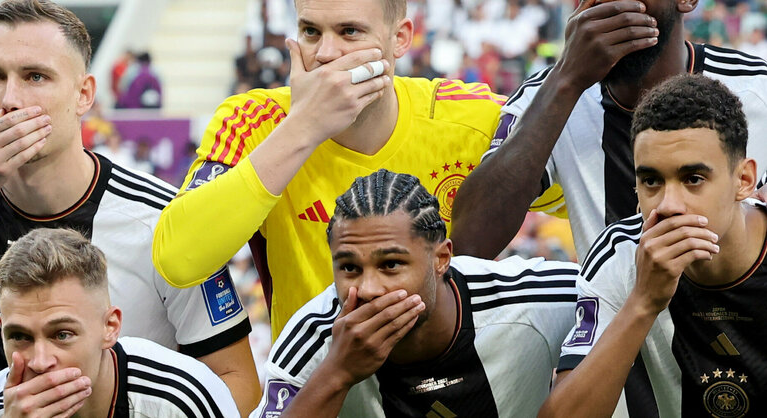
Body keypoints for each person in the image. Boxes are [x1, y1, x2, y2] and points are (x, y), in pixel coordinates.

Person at [0, 1, 259, 414]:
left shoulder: (162, 218)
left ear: (84, 94)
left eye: (36, 76)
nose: (9, 100)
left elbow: (238, 382)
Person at [153, 0, 507, 339]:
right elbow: (178, 260)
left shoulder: (469, 118)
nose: (325, 53)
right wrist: (305, 126)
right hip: (313, 389)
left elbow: (560, 194)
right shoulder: (254, 121)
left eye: (350, 32)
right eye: (310, 31)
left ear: (400, 39)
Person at [453, 0, 767, 263]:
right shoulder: (549, 96)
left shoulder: (759, 90)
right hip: (613, 327)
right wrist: (567, 79)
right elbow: (468, 245)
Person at [249, 169, 578, 417]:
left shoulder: (530, 298)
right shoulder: (316, 334)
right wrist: (338, 373)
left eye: (391, 264)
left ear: (441, 259)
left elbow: (620, 305)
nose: (368, 289)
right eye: (349, 268)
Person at [539, 74, 766, 417]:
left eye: (693, 179)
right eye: (651, 181)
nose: (669, 204)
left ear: (744, 180)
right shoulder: (621, 255)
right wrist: (644, 302)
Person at [0, 228, 238, 417]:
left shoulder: (181, 397)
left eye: (62, 334)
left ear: (109, 327)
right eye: (20, 337)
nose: (40, 361)